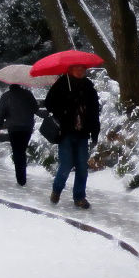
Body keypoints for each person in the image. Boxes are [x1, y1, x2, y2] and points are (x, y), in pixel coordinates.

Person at [44, 65, 100, 209]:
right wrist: (65, 107)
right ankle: (57, 189)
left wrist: (95, 132)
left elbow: (94, 111)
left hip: (82, 133)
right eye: (77, 69)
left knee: (82, 167)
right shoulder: (62, 84)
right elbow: (49, 103)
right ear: (70, 70)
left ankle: (79, 197)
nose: (80, 71)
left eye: (82, 69)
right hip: (66, 133)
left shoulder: (88, 86)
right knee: (66, 164)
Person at [0, 84, 39, 186]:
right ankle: (22, 174)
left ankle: (21, 178)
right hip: (27, 127)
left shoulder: (6, 96)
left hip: (13, 128)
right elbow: (35, 108)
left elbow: (1, 113)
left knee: (17, 151)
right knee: (22, 150)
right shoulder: (27, 94)